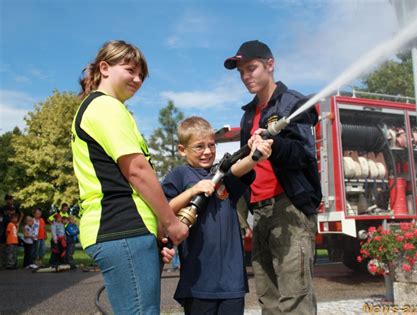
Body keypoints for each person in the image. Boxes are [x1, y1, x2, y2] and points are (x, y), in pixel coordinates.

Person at [71, 40, 188, 314]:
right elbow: (136, 170)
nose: (137, 79)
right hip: (121, 227)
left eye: (141, 75)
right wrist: (170, 223)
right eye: (130, 70)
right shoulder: (105, 107)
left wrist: (154, 229)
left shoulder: (103, 109)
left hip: (124, 230)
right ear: (105, 68)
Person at [224, 40, 322, 314]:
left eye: (251, 68)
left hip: (289, 210)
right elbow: (247, 164)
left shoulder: (294, 104)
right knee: (268, 299)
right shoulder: (248, 115)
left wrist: (274, 145)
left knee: (294, 298)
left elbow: (303, 156)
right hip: (261, 212)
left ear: (270, 65)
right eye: (241, 72)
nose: (246, 76)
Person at [161, 116, 272, 315]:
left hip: (231, 283)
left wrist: (254, 156)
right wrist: (192, 191)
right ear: (182, 150)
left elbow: (238, 169)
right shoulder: (178, 176)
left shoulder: (222, 173)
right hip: (198, 283)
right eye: (199, 146)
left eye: (211, 145)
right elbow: (165, 210)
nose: (207, 151)